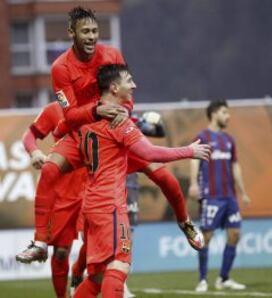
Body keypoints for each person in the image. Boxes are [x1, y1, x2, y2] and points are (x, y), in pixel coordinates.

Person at [16, 6, 203, 264]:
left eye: (95, 31)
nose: (92, 36)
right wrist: (96, 110)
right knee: (49, 170)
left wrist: (123, 112)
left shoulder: (112, 55)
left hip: (113, 131)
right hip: (83, 134)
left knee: (164, 177)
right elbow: (69, 117)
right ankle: (39, 243)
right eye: (85, 31)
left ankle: (185, 222)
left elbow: (126, 92)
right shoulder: (61, 67)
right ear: (72, 33)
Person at [73, 63, 210, 297]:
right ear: (114, 87)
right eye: (129, 80)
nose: (134, 85)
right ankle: (184, 223)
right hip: (110, 206)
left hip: (92, 204)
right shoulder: (117, 121)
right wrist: (189, 150)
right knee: (119, 266)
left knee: (97, 277)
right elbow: (149, 152)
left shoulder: (88, 117)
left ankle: (185, 223)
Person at [22, 102, 87, 298]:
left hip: (92, 185)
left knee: (92, 241)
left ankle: (78, 270)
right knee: (60, 253)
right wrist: (34, 151)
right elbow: (30, 136)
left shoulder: (98, 105)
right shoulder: (53, 109)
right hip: (63, 191)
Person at [189, 100, 251, 293]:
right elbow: (194, 160)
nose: (228, 116)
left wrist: (243, 191)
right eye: (225, 112)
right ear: (214, 113)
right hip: (211, 196)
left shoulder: (229, 140)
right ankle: (202, 280)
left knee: (235, 234)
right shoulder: (202, 136)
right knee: (206, 237)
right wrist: (193, 183)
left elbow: (235, 166)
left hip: (229, 197)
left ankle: (223, 278)